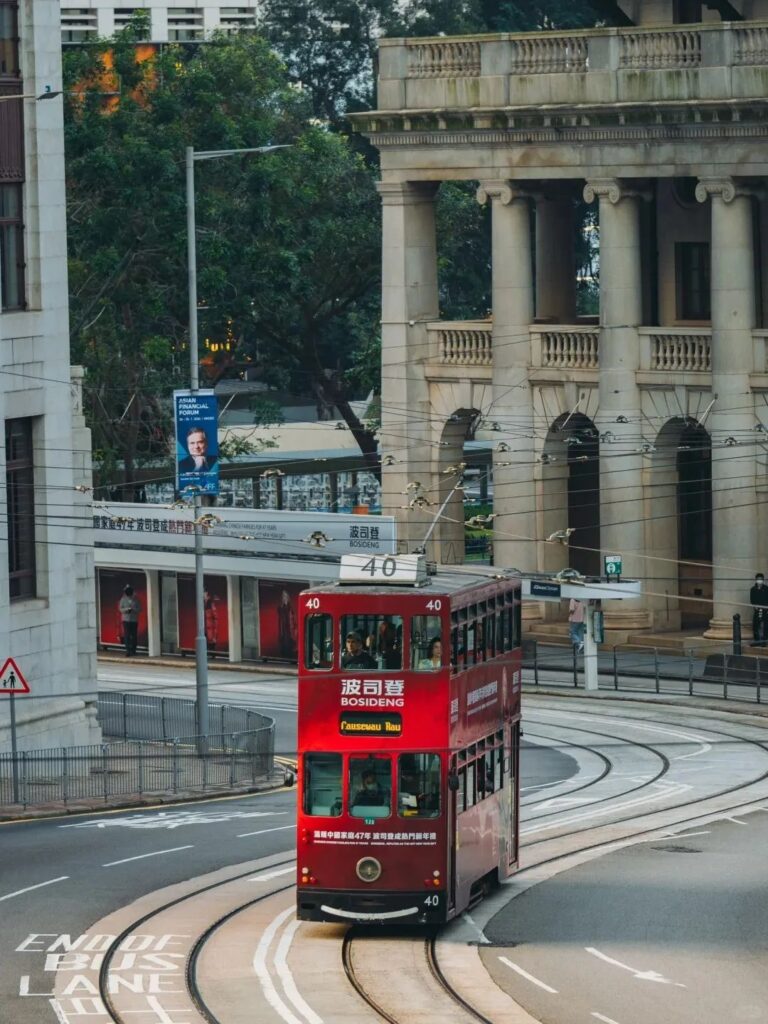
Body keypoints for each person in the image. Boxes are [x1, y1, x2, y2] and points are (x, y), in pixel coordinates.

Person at [118, 584, 141, 657]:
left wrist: (133, 610)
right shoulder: (123, 599)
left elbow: (139, 609)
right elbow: (120, 609)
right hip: (126, 620)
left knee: (134, 636)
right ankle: (128, 650)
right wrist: (126, 610)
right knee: (127, 635)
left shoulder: (136, 600)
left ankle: (133, 650)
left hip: (134, 620)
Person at [277, 588, 297, 659]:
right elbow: (280, 618)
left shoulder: (290, 606)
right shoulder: (280, 607)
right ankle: (284, 655)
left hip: (290, 628)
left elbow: (293, 618)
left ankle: (290, 655)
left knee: (290, 641)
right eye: (283, 596)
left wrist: (294, 628)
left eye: (285, 596)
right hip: (284, 628)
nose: (284, 598)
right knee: (284, 641)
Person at [751, 573, 768, 647]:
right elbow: (752, 599)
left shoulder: (766, 588)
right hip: (757, 609)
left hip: (765, 609)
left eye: (761, 579)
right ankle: (756, 640)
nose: (759, 581)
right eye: (758, 579)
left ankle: (764, 641)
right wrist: (754, 606)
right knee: (755, 625)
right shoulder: (753, 589)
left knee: (765, 626)